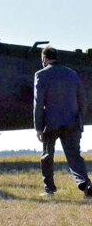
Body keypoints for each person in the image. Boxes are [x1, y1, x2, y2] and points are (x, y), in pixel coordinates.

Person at [34, 46, 92, 197]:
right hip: (72, 121)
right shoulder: (72, 74)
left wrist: (38, 128)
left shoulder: (40, 75)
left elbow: (38, 103)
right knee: (74, 156)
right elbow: (83, 99)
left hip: (50, 122)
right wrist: (79, 117)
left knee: (47, 155)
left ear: (44, 58)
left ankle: (49, 189)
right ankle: (86, 185)